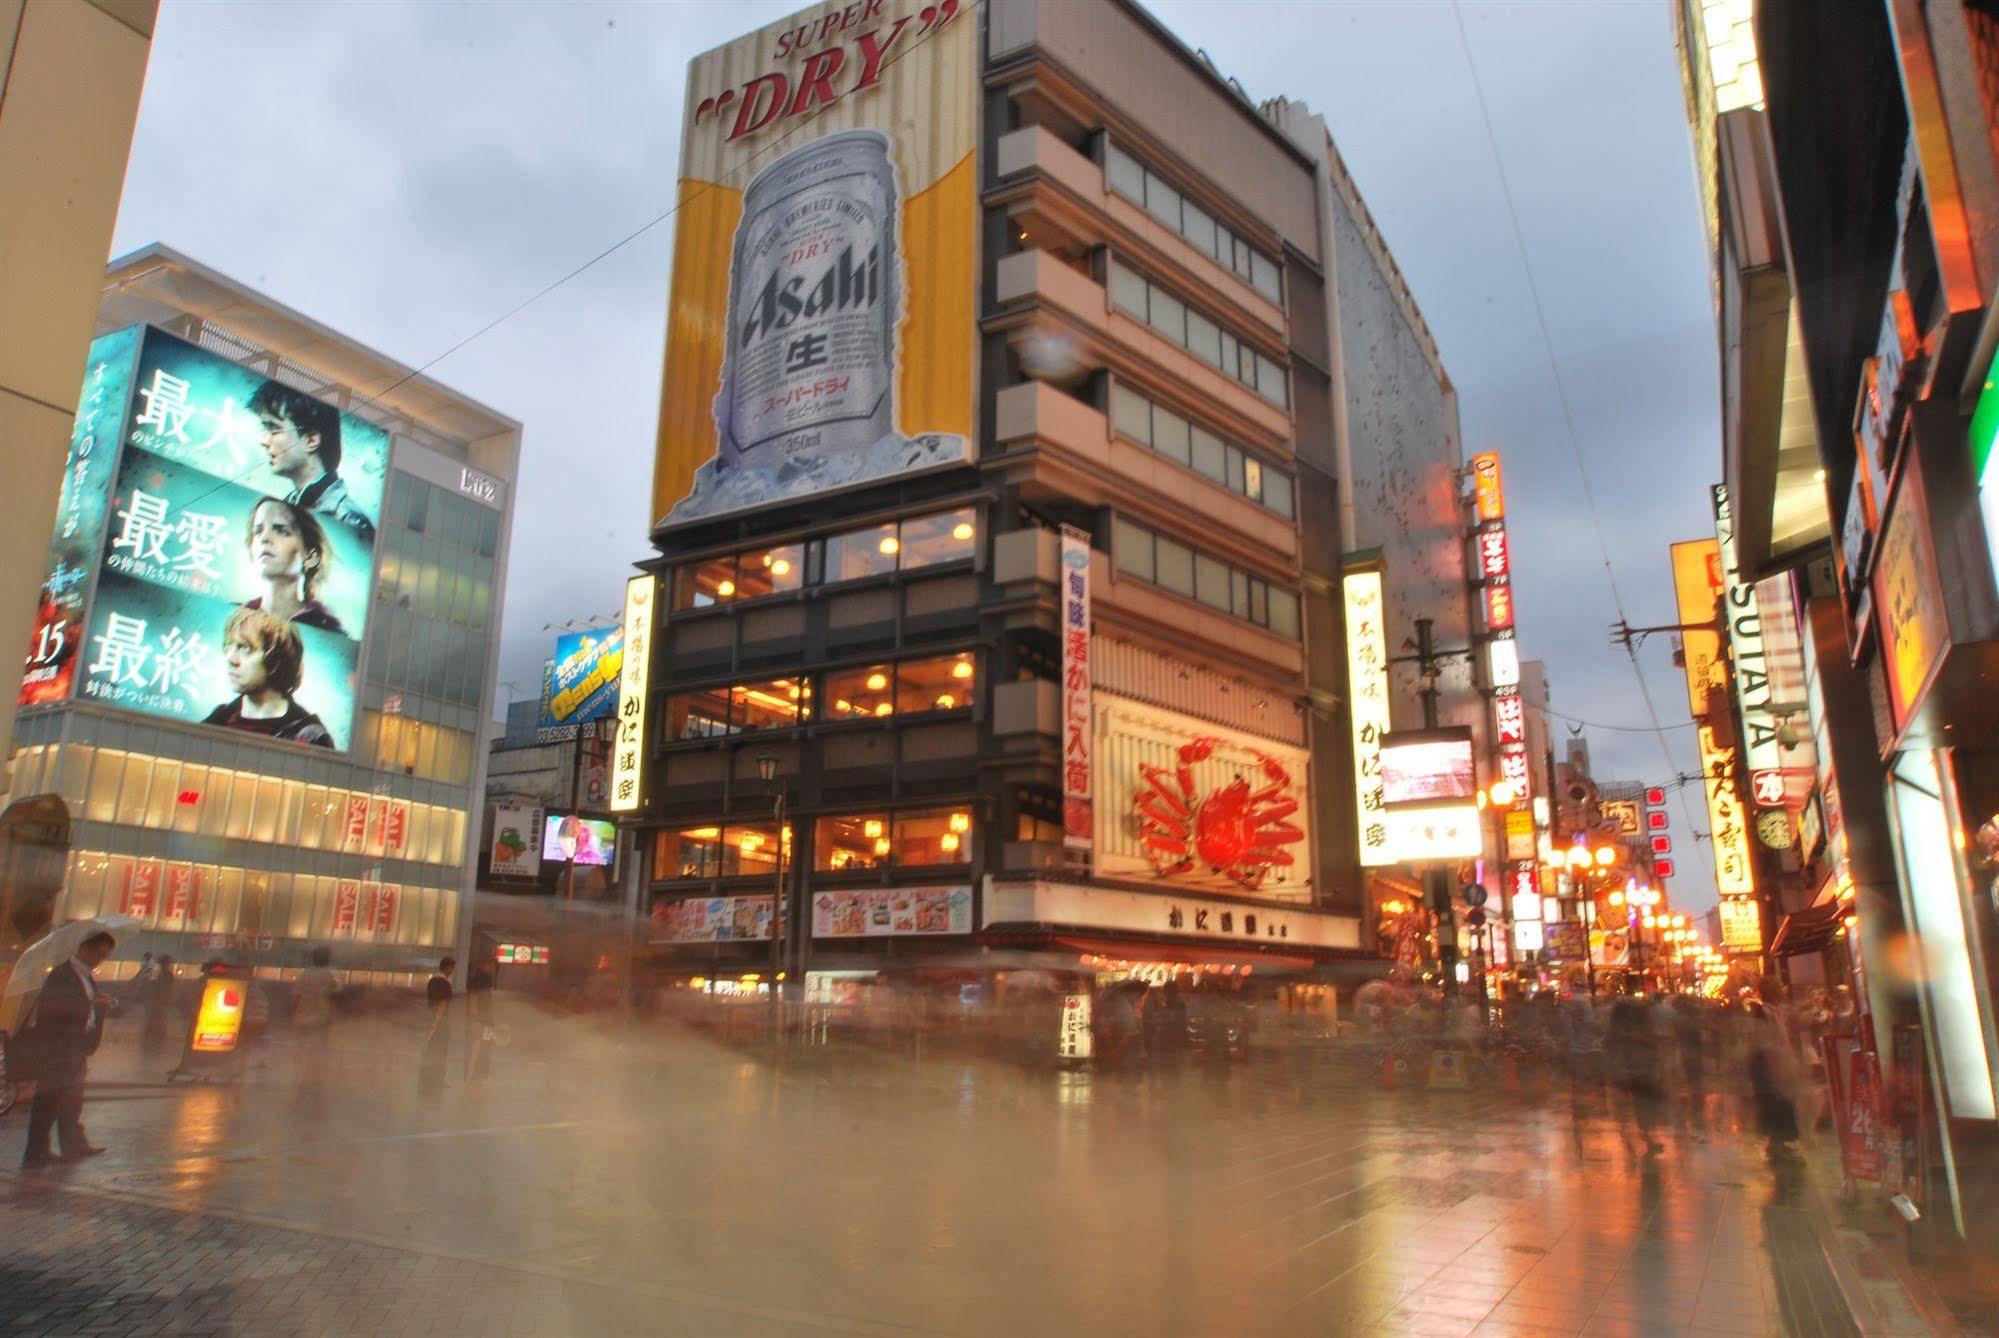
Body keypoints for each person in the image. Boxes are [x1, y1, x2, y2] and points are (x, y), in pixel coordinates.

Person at [19, 930, 119, 1167]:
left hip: (78, 1047)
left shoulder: (86, 976)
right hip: (58, 1048)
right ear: (84, 948)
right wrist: (90, 1003)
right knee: (48, 1101)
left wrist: (101, 1003)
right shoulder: (61, 975)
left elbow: (88, 1003)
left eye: (104, 955)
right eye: (98, 953)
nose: (100, 959)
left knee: (72, 1099)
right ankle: (36, 1152)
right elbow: (54, 1007)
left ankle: (74, 1145)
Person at [251, 379, 375, 542]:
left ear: (311, 440)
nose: (263, 440)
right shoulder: (291, 503)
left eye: (274, 428)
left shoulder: (348, 518)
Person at [203, 607, 334, 747]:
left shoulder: (310, 735)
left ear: (276, 660)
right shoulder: (219, 718)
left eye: (245, 648)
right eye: (228, 646)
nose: (230, 659)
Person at [241, 498, 344, 634]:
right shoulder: (238, 617)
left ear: (311, 557)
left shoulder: (327, 628)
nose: (264, 538)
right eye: (258, 531)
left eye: (281, 531)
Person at [419, 957, 454, 1101]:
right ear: (447, 967)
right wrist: (436, 1023)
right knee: (439, 1053)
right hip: (440, 1024)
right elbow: (443, 1005)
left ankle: (426, 1083)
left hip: (430, 1021)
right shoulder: (444, 983)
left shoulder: (432, 981)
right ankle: (436, 1083)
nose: (452, 971)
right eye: (452, 968)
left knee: (429, 1052)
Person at [139, 954, 177, 1059]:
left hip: (159, 1003)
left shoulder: (166, 975)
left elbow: (164, 989)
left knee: (156, 1023)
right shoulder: (164, 974)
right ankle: (153, 1044)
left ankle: (152, 1044)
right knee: (157, 1022)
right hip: (160, 1003)